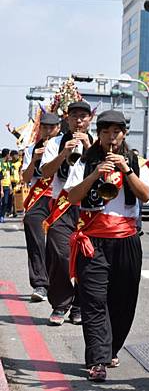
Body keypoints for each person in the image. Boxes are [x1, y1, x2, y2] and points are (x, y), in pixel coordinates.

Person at [65, 110, 149, 382]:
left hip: (126, 239)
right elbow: (71, 196)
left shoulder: (135, 161)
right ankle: (98, 360)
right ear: (99, 134)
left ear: (124, 134)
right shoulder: (86, 161)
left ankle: (111, 348)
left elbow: (146, 196)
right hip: (93, 241)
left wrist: (125, 170)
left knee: (123, 300)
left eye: (116, 132)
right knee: (93, 301)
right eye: (105, 132)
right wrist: (95, 175)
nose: (110, 137)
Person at [40, 100, 94, 326]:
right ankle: (61, 304)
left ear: (90, 119)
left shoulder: (98, 143)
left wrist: (90, 148)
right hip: (62, 206)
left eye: (83, 116)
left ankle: (79, 305)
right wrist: (64, 153)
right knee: (59, 255)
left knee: (86, 258)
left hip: (88, 208)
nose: (78, 120)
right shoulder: (54, 142)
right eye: (74, 116)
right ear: (67, 119)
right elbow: (44, 172)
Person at [22, 112, 62, 302]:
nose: (47, 131)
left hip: (62, 197)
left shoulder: (66, 145)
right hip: (40, 197)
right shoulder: (31, 149)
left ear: (58, 129)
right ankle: (40, 283)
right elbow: (26, 178)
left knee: (60, 243)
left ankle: (63, 283)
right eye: (44, 127)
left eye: (51, 128)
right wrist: (34, 160)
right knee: (33, 227)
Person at [0, 149, 12, 222]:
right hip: (1, 185)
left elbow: (9, 175)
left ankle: (2, 216)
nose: (10, 156)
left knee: (5, 202)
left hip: (7, 185)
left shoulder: (8, 163)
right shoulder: (0, 162)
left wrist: (10, 186)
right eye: (9, 154)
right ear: (7, 155)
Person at [9, 150, 21, 217]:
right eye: (15, 155)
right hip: (10, 182)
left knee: (16, 197)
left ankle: (14, 211)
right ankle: (12, 211)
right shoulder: (9, 163)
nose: (16, 156)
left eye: (17, 155)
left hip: (17, 182)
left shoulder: (19, 163)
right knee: (12, 198)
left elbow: (20, 171)